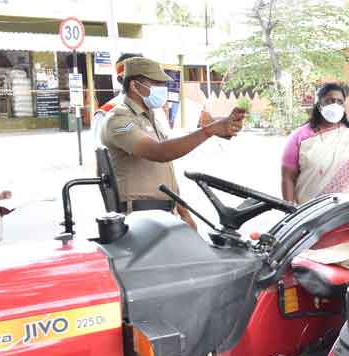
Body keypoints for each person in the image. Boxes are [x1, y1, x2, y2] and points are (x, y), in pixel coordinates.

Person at [102, 57, 244, 228]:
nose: (163, 89)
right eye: (156, 83)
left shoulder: (151, 117)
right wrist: (209, 130)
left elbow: (165, 171)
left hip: (163, 214)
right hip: (139, 219)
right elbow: (160, 153)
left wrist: (184, 212)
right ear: (134, 86)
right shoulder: (118, 120)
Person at [281, 83, 349, 204]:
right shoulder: (299, 136)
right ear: (319, 105)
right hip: (310, 210)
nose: (335, 105)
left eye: (340, 102)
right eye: (330, 101)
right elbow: (288, 177)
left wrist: (341, 177)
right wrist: (289, 210)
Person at [93, 53, 142, 148]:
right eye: (141, 77)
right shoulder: (105, 113)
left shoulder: (155, 110)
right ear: (121, 80)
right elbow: (102, 154)